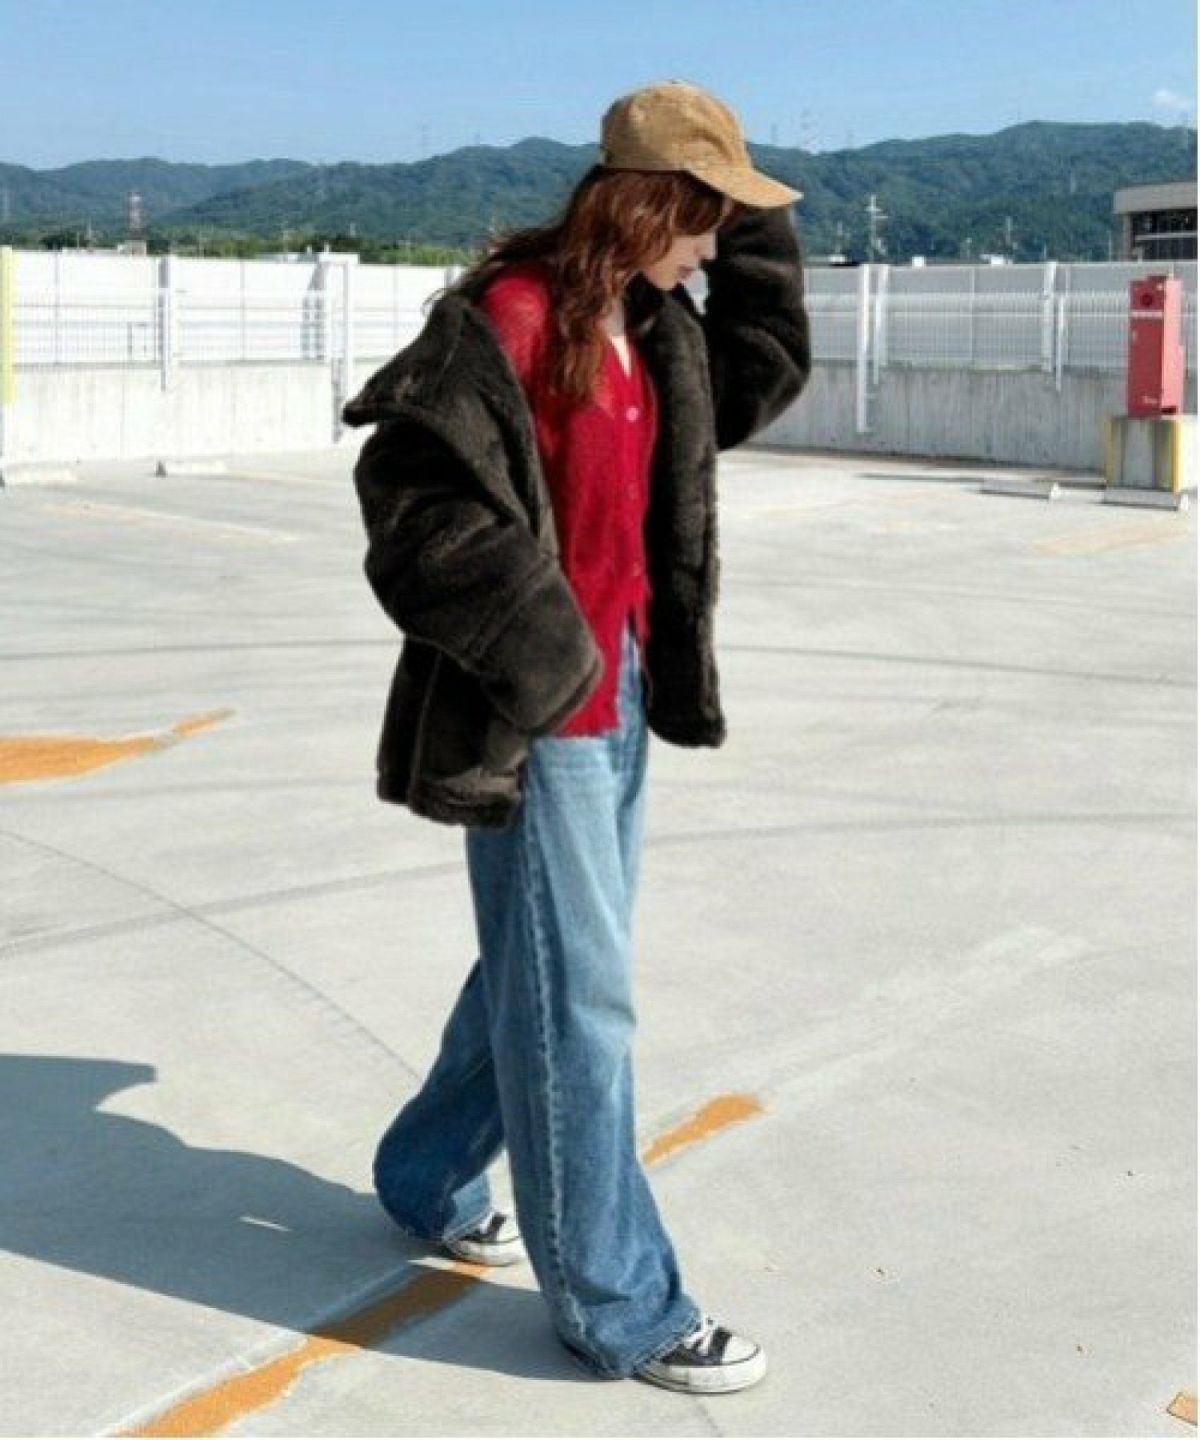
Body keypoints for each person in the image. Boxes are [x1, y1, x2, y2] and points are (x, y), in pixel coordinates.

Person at [342, 79, 811, 1395]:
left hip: (626, 697)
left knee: (545, 966)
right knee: (582, 1001)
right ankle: (621, 1303)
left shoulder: (655, 326)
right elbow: (414, 508)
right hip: (539, 710)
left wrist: (758, 225)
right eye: (706, 217)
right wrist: (546, 656)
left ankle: (427, 1171)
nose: (712, 248)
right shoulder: (509, 319)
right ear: (650, 204)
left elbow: (763, 370)